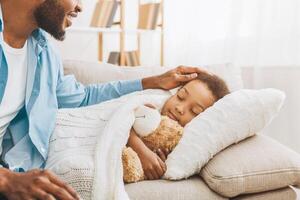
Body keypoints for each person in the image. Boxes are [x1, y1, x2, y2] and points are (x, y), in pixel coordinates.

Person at [0, 0, 209, 199]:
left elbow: (82, 98)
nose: (80, 7)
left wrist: (153, 82)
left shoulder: (42, 51)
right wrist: (8, 181)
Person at [127, 72, 230, 181]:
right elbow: (118, 117)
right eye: (180, 96)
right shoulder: (151, 105)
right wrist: (137, 146)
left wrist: (157, 164)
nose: (179, 108)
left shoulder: (185, 144)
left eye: (194, 111)